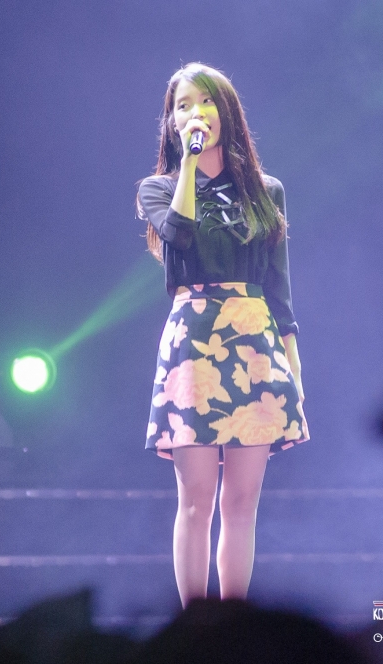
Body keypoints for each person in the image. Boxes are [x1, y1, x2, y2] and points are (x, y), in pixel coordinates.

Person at [137, 63, 309, 608]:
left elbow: (279, 288)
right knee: (196, 501)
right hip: (193, 346)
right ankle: (194, 629)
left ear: (226, 112)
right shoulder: (159, 189)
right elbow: (179, 235)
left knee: (242, 502)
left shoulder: (267, 192)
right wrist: (189, 165)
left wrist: (292, 365)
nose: (196, 113)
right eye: (183, 105)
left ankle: (234, 629)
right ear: (171, 122)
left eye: (206, 102)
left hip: (257, 343)